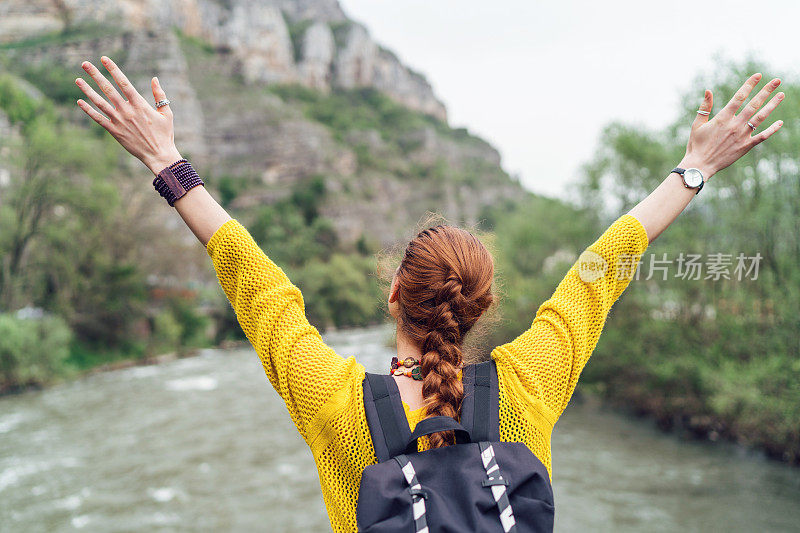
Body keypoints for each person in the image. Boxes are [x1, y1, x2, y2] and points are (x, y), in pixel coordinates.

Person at [74, 56, 784, 532]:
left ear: (392, 293)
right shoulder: (528, 383)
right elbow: (600, 270)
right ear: (481, 307)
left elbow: (256, 282)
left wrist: (166, 160)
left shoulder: (335, 404)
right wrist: (694, 168)